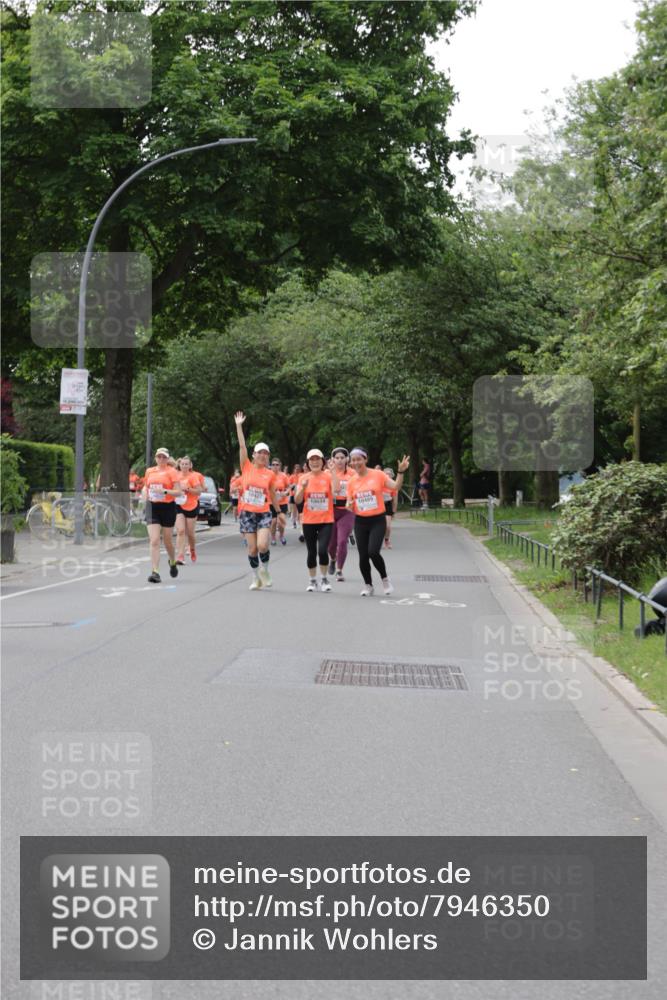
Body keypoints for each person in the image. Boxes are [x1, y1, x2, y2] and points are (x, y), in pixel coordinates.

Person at [347, 447, 409, 596]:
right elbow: (349, 503)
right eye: (353, 460)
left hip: (377, 520)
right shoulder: (352, 481)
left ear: (365, 459)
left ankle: (385, 579)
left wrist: (400, 472)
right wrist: (349, 505)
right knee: (363, 556)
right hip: (360, 521)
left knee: (373, 552)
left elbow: (395, 486)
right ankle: (368, 585)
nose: (356, 462)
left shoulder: (378, 475)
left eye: (359, 459)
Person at [234, 411, 279, 590]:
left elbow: (273, 494)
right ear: (253, 455)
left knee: (262, 545)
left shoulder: (270, 474)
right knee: (252, 549)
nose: (263, 456)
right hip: (247, 513)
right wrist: (239, 426)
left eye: (265, 453)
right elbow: (242, 446)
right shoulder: (246, 467)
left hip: (263, 513)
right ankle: (255, 577)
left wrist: (280, 512)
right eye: (260, 453)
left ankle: (265, 571)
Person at [294, 449, 339, 592]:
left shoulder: (328, 476)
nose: (315, 462)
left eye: (317, 459)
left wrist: (332, 472)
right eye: (312, 460)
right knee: (311, 552)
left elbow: (337, 490)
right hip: (309, 520)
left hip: (326, 519)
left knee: (322, 550)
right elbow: (297, 500)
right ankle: (312, 580)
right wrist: (303, 489)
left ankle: (324, 579)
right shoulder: (303, 478)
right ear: (308, 463)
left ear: (323, 461)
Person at [142, 447, 184, 583]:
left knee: (167, 541)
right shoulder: (149, 471)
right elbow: (146, 487)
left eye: (164, 457)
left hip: (167, 507)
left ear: (167, 459)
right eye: (159, 457)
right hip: (152, 506)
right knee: (154, 540)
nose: (161, 459)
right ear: (155, 458)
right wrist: (144, 496)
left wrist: (165, 491)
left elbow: (179, 492)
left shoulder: (172, 472)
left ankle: (172, 561)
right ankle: (155, 572)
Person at [326, 446, 355, 582]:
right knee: (331, 545)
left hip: (347, 511)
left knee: (342, 541)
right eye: (336, 458)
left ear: (347, 459)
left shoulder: (353, 474)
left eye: (342, 458)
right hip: (331, 510)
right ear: (332, 460)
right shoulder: (327, 473)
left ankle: (339, 570)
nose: (339, 460)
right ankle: (332, 559)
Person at [175, 456, 205, 564]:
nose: (184, 466)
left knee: (191, 533)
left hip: (192, 506)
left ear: (190, 465)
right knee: (181, 530)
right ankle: (180, 556)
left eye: (186, 464)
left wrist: (187, 489)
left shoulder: (193, 477)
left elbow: (199, 491)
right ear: (180, 465)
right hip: (179, 505)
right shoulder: (176, 476)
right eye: (182, 464)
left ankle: (192, 549)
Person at [269, 458, 290, 546]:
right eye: (273, 464)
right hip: (271, 502)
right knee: (273, 521)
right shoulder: (268, 475)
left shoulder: (283, 476)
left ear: (280, 466)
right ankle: (273, 537)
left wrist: (285, 492)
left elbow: (289, 487)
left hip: (282, 502)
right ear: (271, 466)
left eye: (277, 465)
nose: (275, 466)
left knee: (281, 522)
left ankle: (281, 535)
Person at [382, 467, 398, 548]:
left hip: (387, 505)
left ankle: (387, 540)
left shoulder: (393, 486)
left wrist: (394, 512)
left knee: (387, 526)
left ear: (392, 476)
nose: (387, 476)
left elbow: (395, 500)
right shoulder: (378, 483)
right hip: (377, 506)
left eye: (389, 474)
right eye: (386, 474)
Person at [289, 463, 302, 528]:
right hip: (293, 494)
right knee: (294, 509)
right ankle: (294, 522)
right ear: (294, 469)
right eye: (296, 468)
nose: (297, 469)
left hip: (299, 495)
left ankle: (298, 520)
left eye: (298, 468)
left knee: (299, 509)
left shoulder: (301, 476)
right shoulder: (291, 476)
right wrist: (293, 485)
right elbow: (289, 486)